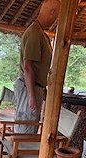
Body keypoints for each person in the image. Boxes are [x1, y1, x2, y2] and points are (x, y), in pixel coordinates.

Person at [14, 0, 61, 133]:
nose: (55, 19)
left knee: (30, 126)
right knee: (26, 129)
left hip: (34, 87)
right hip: (30, 87)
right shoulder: (35, 33)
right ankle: (21, 154)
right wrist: (32, 95)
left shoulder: (40, 33)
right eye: (56, 15)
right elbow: (28, 66)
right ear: (52, 12)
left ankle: (22, 153)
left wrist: (41, 88)